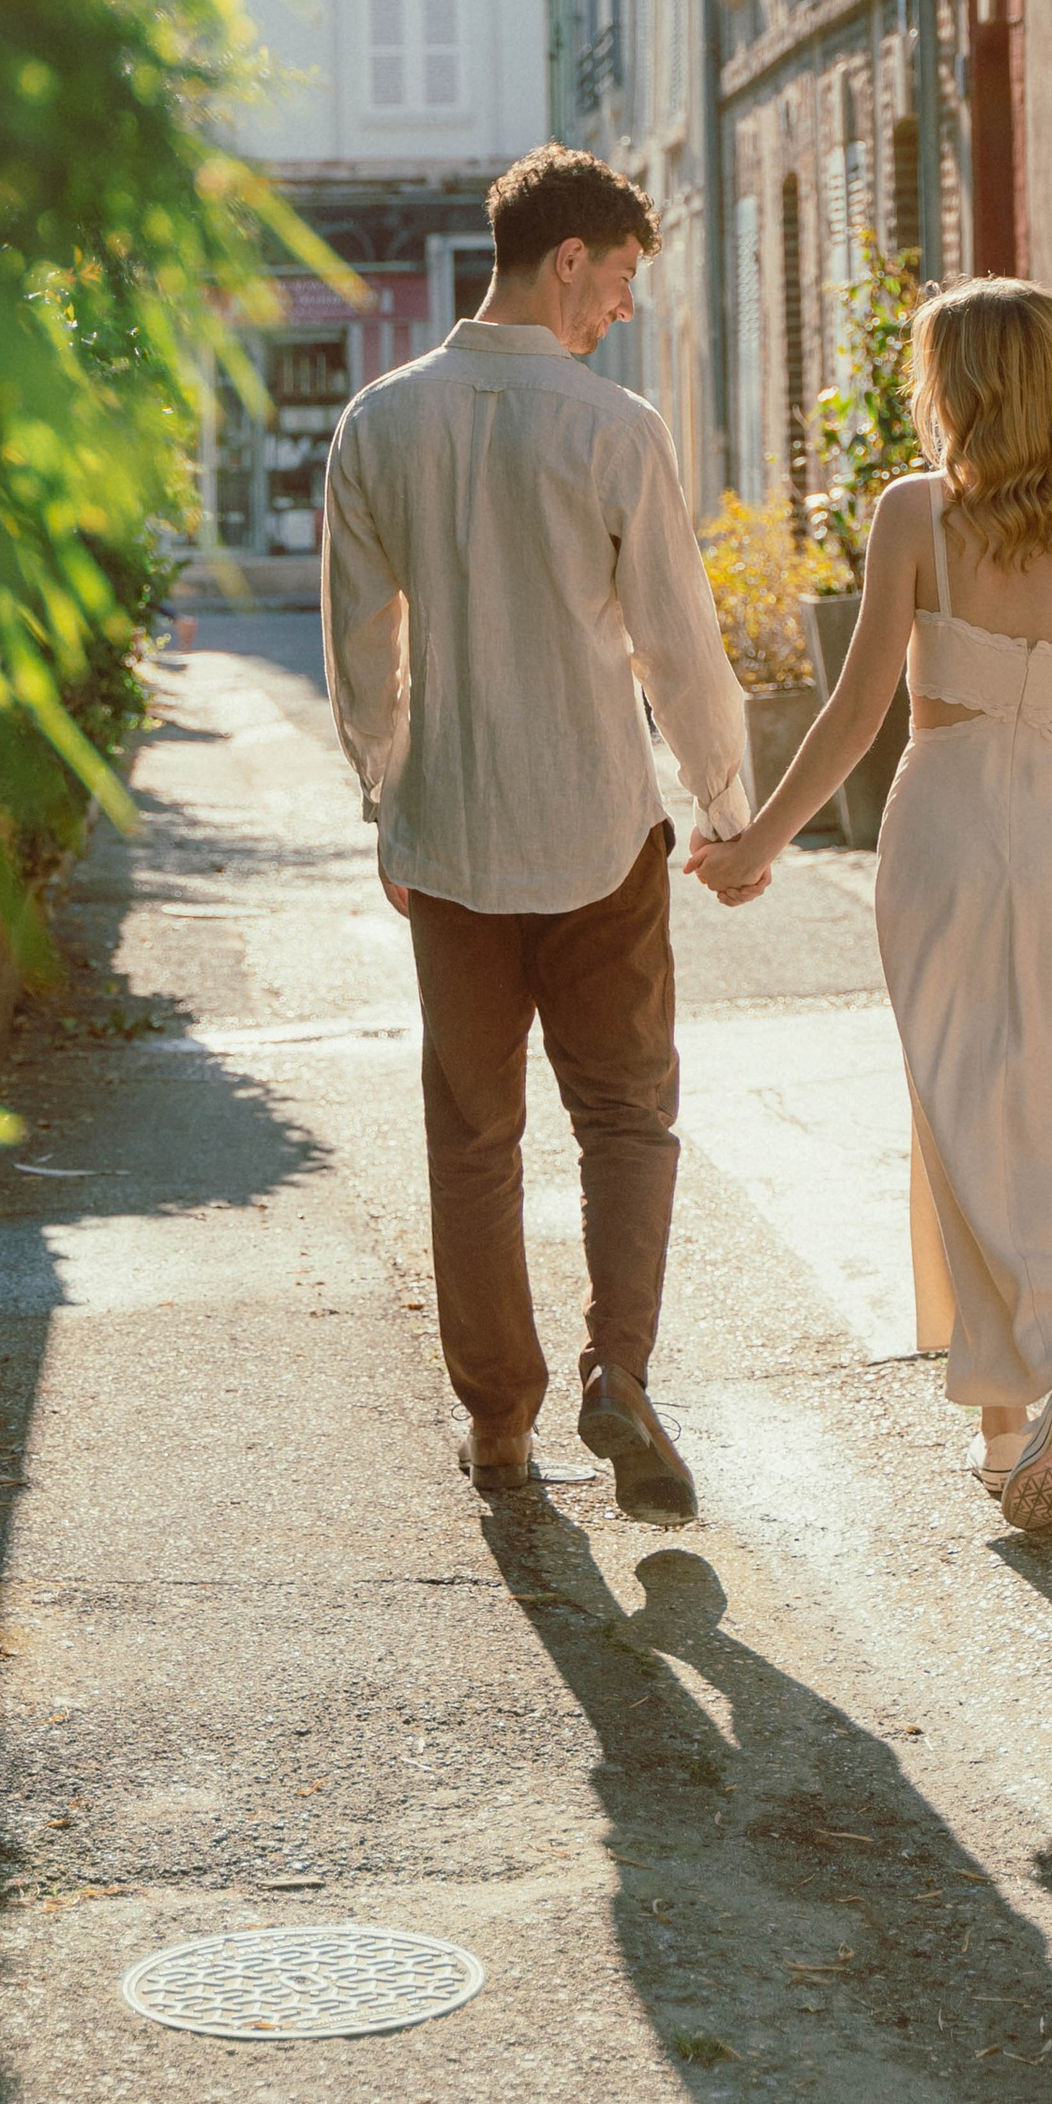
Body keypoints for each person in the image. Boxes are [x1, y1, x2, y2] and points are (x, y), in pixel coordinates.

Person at [320, 145, 753, 1523]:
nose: (622, 308)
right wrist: (726, 803)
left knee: (473, 1136)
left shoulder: (379, 423)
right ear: (567, 258)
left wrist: (386, 794)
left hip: (451, 837)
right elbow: (677, 644)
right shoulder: (614, 428)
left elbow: (361, 649)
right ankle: (617, 1371)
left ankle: (498, 1425)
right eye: (618, 278)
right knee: (625, 1114)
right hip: (597, 830)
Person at [689, 278, 1052, 1535]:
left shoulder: (917, 514)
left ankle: (1007, 1419)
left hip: (943, 821)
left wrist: (754, 844)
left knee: (957, 1107)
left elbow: (856, 712)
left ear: (957, 385)